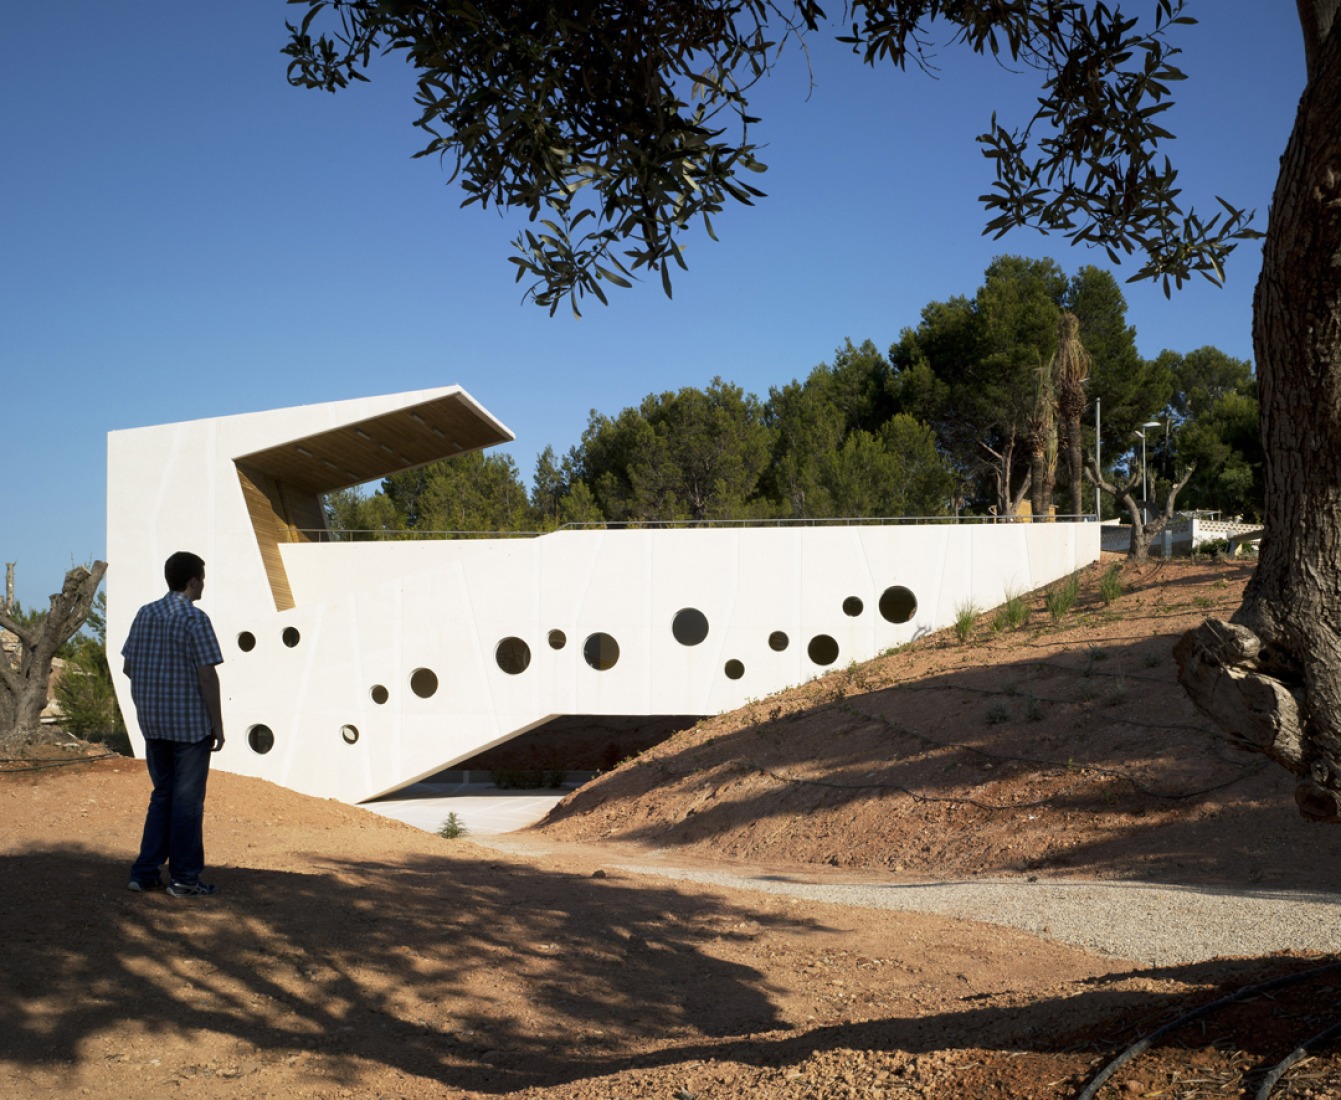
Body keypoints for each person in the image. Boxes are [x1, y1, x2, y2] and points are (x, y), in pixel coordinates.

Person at [122, 551, 225, 897]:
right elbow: (207, 675)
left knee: (162, 795)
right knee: (187, 802)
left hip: (153, 724)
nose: (203, 585)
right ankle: (183, 877)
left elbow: (128, 667)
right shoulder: (195, 619)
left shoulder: (144, 614)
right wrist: (218, 724)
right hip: (189, 726)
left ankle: (145, 872)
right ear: (193, 581)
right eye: (202, 579)